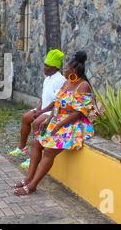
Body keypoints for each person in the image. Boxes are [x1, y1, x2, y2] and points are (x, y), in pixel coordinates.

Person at [13, 51, 95, 196]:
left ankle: (32, 186)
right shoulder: (67, 83)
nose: (64, 71)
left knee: (49, 150)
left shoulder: (83, 86)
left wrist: (59, 124)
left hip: (73, 124)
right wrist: (48, 119)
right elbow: (57, 105)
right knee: (36, 142)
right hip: (58, 121)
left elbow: (80, 112)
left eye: (67, 69)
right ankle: (28, 178)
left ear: (74, 70)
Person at [8, 49, 66, 169]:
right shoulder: (47, 78)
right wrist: (37, 109)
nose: (43, 68)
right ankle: (22, 148)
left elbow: (57, 102)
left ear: (55, 67)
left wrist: (42, 112)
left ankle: (34, 156)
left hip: (53, 112)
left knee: (36, 123)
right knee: (26, 117)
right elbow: (43, 97)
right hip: (44, 109)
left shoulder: (60, 80)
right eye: (44, 65)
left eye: (47, 66)